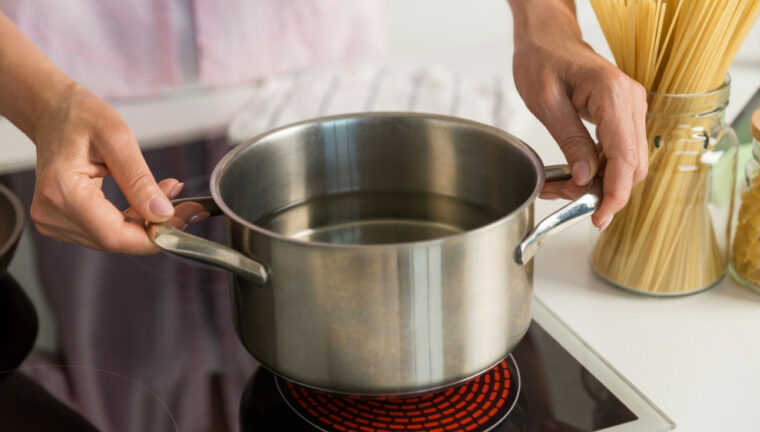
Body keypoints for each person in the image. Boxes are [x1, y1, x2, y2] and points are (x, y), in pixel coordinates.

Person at [0, 1, 647, 430]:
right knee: (127, 384)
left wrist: (547, 22)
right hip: (77, 85)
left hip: (308, 64)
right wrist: (45, 103)